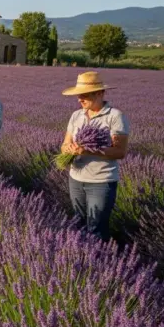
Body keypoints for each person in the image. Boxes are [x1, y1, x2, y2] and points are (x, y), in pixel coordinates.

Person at [60, 71, 130, 241]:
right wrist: (68, 149)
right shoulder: (76, 115)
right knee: (79, 223)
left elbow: (120, 152)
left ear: (100, 93)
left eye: (84, 95)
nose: (79, 99)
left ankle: (101, 262)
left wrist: (89, 150)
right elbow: (64, 145)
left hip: (100, 182)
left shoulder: (115, 117)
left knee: (96, 227)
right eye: (78, 95)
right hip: (76, 178)